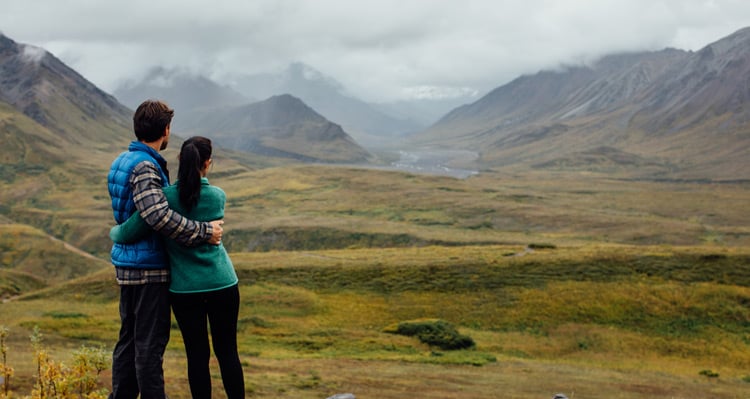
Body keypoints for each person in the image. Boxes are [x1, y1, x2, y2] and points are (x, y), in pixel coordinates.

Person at [111, 136, 245, 399]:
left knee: (197, 356)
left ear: (181, 161)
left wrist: (114, 232)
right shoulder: (218, 196)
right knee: (228, 351)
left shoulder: (165, 198)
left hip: (185, 289)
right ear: (208, 163)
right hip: (223, 283)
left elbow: (127, 232)